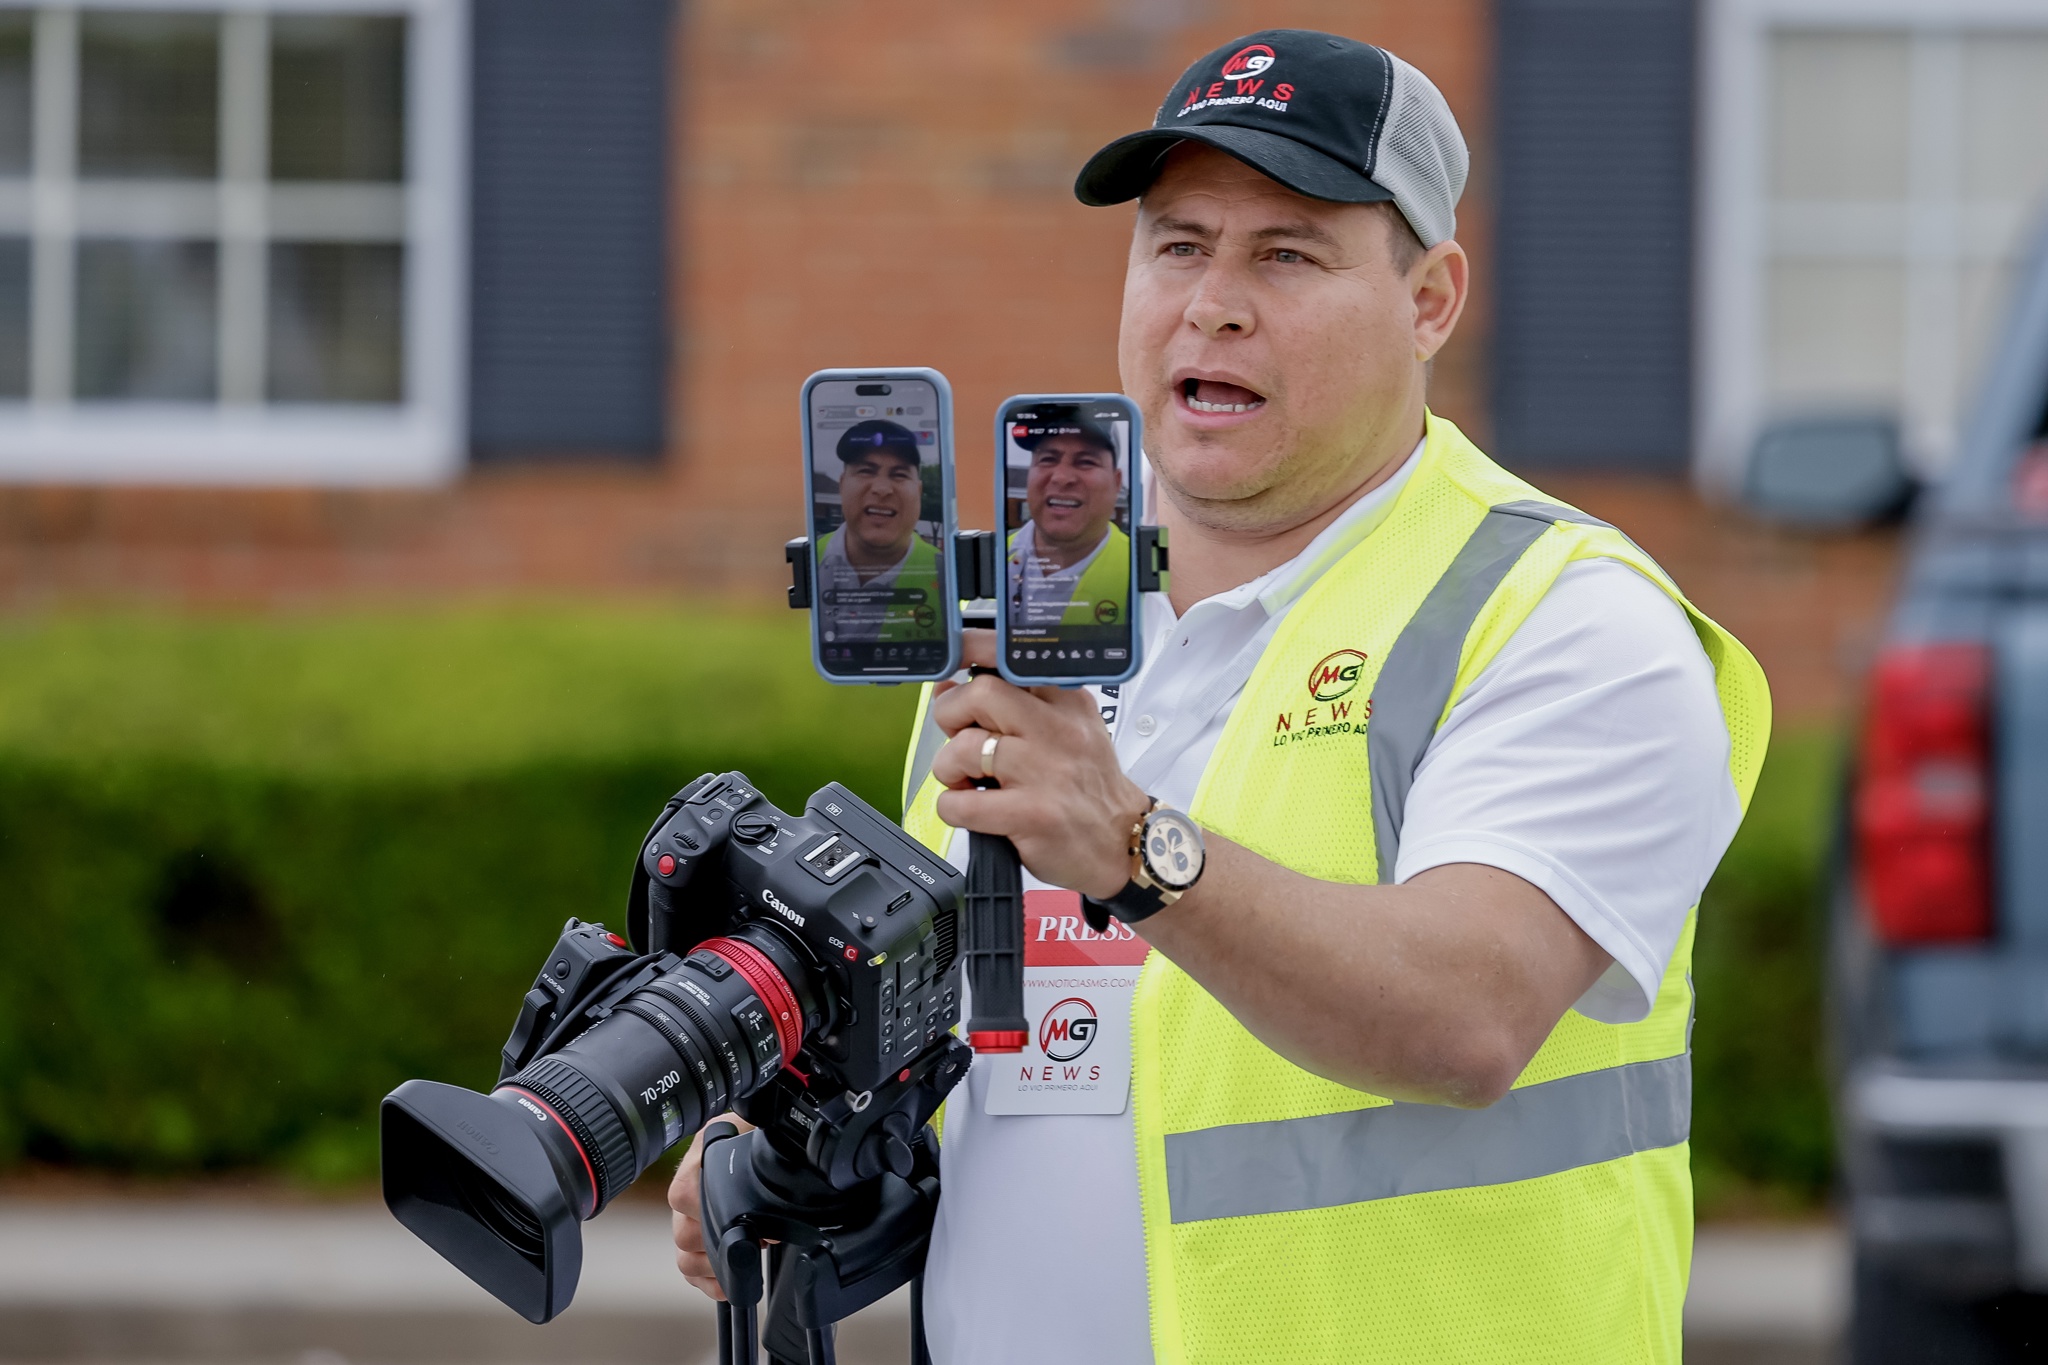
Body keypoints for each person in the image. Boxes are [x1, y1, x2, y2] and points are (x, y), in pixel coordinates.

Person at [676, 28, 1769, 1364]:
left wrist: (1133, 848)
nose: (1214, 304)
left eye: (1286, 254)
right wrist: (787, 1147)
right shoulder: (1017, 614)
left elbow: (1469, 1016)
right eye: (1178, 245)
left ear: (1430, 301)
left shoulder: (1565, 617)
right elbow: (984, 1051)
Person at [813, 419, 943, 644]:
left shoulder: (946, 573)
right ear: (842, 484)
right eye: (866, 471)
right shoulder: (806, 563)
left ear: (919, 491)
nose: (882, 489)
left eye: (899, 474)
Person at [1007, 420, 1131, 631]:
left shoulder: (1144, 572)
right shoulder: (990, 560)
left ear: (1116, 482)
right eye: (1047, 459)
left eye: (1086, 462)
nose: (1061, 478)